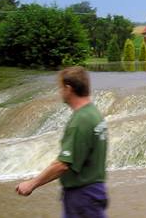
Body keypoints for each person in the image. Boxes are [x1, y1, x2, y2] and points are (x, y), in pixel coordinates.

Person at [16, 66, 108, 218]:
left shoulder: (80, 121)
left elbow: (63, 164)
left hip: (82, 197)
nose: (60, 92)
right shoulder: (94, 114)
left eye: (60, 88)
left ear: (68, 88)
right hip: (92, 193)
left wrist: (31, 184)